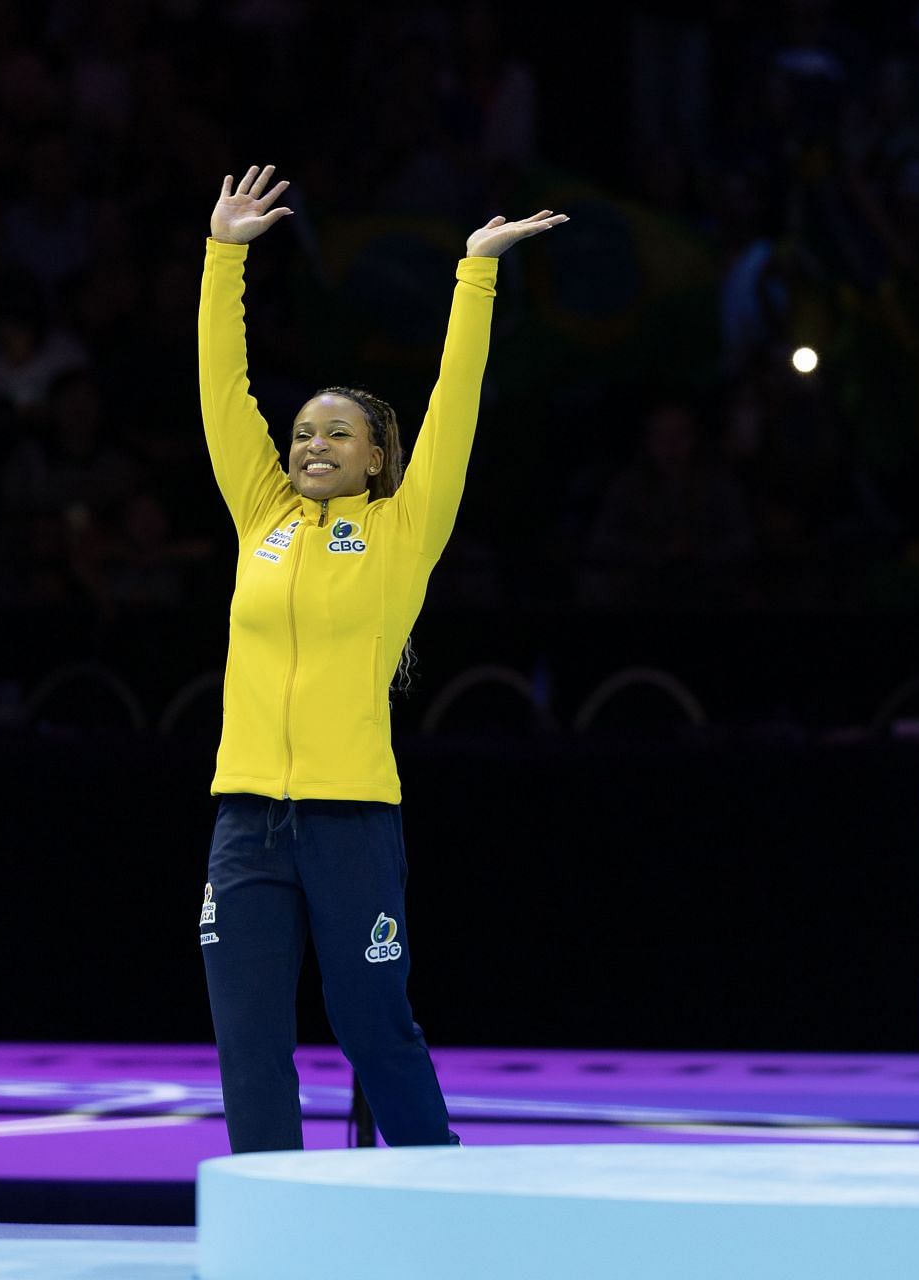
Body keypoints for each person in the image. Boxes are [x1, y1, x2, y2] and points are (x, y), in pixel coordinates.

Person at [196, 163, 565, 1152]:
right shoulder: (263, 517)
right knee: (248, 1040)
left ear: (376, 458)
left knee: (374, 1029)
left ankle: (436, 1210)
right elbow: (222, 391)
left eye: (338, 433)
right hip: (245, 821)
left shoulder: (405, 529)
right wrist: (224, 255)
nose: (312, 443)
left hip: (350, 815)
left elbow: (456, 401)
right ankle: (276, 1224)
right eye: (304, 429)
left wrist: (475, 274)